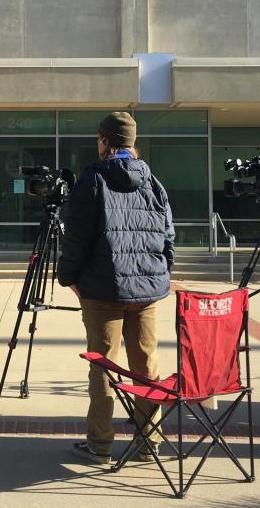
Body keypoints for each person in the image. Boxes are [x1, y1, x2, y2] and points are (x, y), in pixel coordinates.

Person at [56, 112, 175, 464]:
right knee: (146, 366)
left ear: (106, 141)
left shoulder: (93, 180)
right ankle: (149, 442)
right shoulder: (154, 182)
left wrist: (70, 278)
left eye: (99, 139)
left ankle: (100, 444)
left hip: (103, 291)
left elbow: (75, 237)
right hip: (147, 292)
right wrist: (158, 273)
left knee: (104, 366)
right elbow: (169, 236)